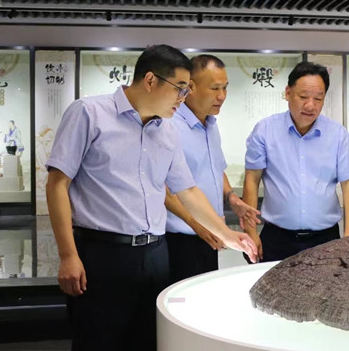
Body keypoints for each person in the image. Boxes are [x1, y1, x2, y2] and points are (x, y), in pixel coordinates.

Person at [45, 44, 258, 351]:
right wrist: (68, 255)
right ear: (150, 80)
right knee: (98, 341)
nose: (183, 97)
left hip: (155, 255)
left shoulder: (167, 130)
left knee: (147, 341)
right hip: (102, 254)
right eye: (180, 88)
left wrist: (227, 235)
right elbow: (57, 184)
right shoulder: (89, 113)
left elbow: (188, 191)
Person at [243, 61, 349, 262]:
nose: (310, 105)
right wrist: (250, 231)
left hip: (325, 239)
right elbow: (251, 180)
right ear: (287, 92)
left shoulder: (337, 134)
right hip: (277, 238)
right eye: (303, 97)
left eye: (318, 98)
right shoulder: (265, 130)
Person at [164, 54, 260, 283]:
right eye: (215, 88)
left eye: (225, 88)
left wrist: (232, 199)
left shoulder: (211, 125)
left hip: (209, 236)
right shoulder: (169, 125)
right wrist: (196, 224)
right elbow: (164, 188)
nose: (222, 96)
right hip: (180, 239)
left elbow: (216, 169)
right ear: (191, 87)